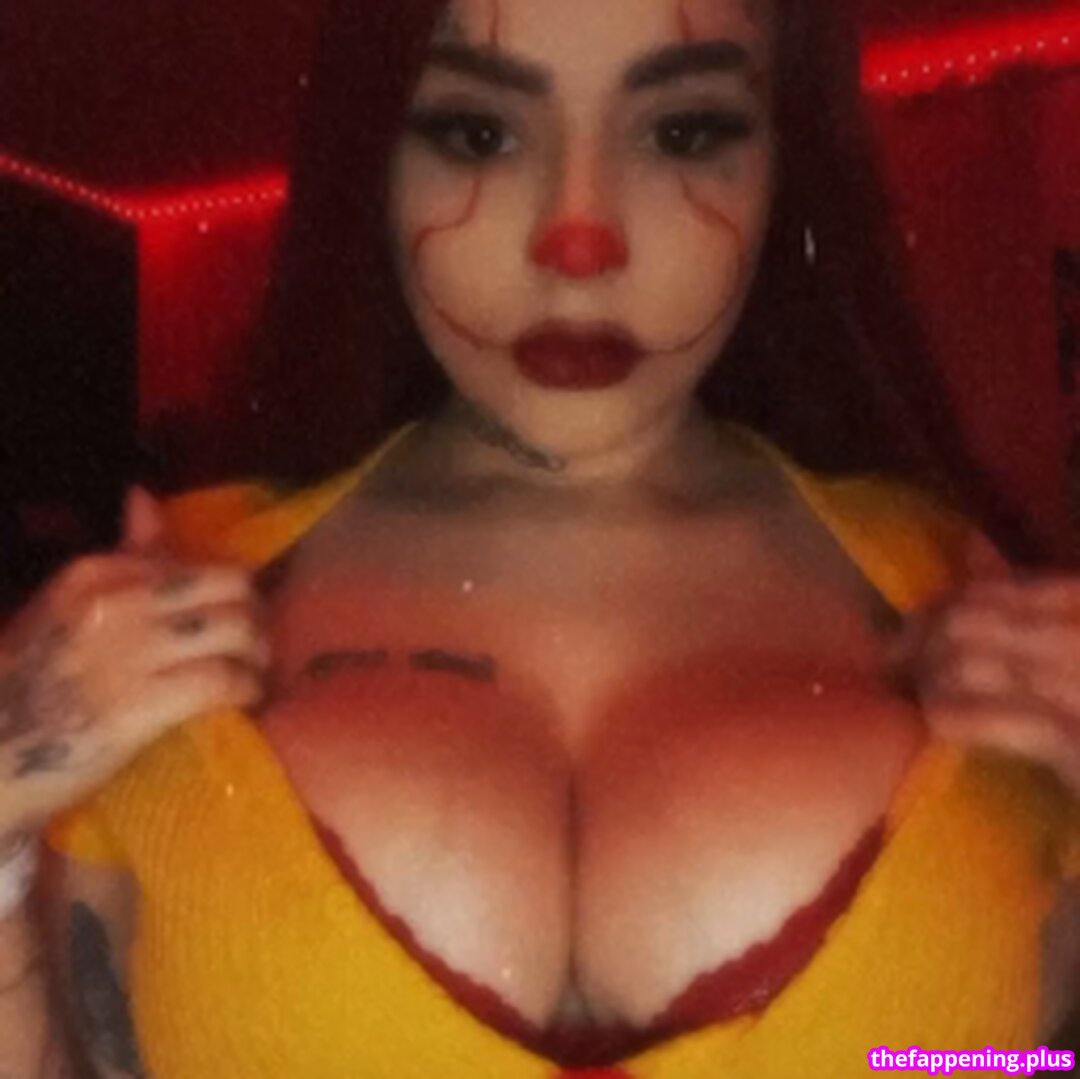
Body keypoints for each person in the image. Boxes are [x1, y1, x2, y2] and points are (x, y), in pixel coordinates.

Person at [1, 0, 1077, 1075]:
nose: (578, 243)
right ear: (375, 159)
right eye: (478, 133)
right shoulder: (174, 597)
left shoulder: (964, 592)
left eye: (684, 130)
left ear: (785, 161)